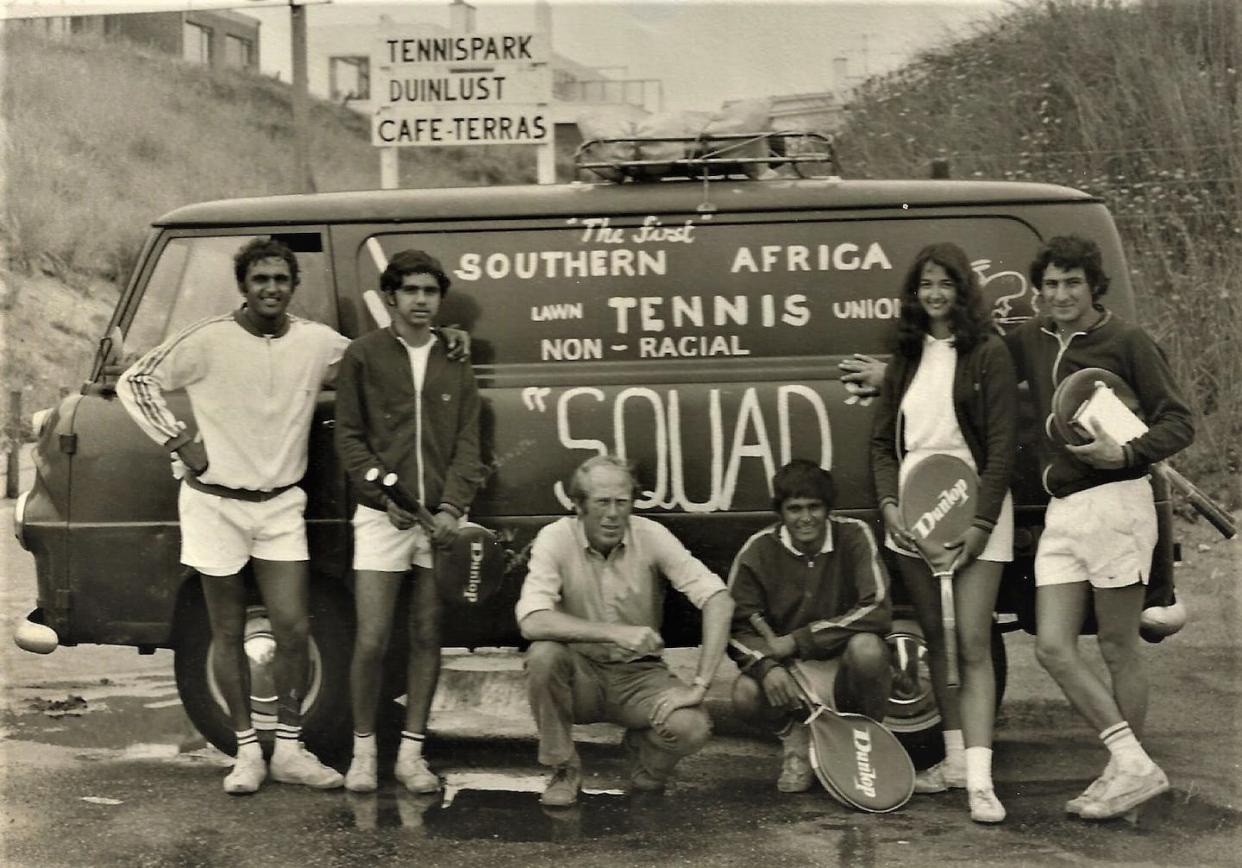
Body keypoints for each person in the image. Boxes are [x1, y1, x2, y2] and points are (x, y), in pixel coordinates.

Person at [117, 237, 350, 794]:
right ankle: (246, 752)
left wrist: (444, 339)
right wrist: (177, 441)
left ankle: (290, 748)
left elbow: (377, 357)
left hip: (280, 506)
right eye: (260, 279)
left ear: (294, 286)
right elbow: (136, 379)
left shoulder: (316, 342)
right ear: (243, 285)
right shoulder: (207, 338)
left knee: (292, 628)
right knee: (226, 630)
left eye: (281, 279)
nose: (271, 288)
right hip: (213, 504)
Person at [1008, 236, 1193, 819]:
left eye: (1073, 283)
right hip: (1062, 509)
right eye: (1052, 284)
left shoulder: (1127, 340)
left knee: (1117, 647)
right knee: (1053, 647)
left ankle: (1125, 772)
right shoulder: (1028, 338)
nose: (1061, 295)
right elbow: (965, 358)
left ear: (1093, 287)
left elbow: (1179, 421)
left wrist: (1129, 454)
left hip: (1119, 501)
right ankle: (1134, 764)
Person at [870, 242, 1018, 824]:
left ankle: (980, 782)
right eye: (925, 284)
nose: (935, 294)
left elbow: (1004, 448)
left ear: (962, 290)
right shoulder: (904, 354)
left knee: (974, 644)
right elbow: (883, 443)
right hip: (914, 513)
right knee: (936, 636)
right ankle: (954, 762)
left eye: (945, 284)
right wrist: (889, 508)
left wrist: (981, 524)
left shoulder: (989, 353)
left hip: (975, 510)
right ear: (915, 293)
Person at [333, 249, 484, 794]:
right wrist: (381, 493)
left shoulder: (454, 356)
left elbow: (469, 442)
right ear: (391, 297)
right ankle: (364, 753)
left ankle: (412, 758)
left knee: (426, 634)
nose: (421, 300)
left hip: (439, 524)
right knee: (371, 639)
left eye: (430, 291)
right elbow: (348, 436)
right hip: (381, 519)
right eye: (411, 291)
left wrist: (450, 509)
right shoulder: (363, 355)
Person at [516, 455, 735, 807]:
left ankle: (645, 763)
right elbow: (532, 620)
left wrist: (700, 685)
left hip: (639, 675)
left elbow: (718, 599)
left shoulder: (650, 535)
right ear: (579, 506)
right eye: (602, 502)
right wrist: (615, 632)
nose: (614, 514)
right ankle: (564, 768)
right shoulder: (555, 537)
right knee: (543, 656)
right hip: (580, 674)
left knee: (691, 727)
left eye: (623, 502)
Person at [727, 459, 893, 794]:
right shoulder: (756, 550)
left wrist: (798, 641)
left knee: (868, 649)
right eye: (795, 508)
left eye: (815, 507)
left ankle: (865, 739)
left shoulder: (854, 534)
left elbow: (877, 608)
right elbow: (735, 627)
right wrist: (768, 665)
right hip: (791, 677)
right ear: (780, 512)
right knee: (744, 693)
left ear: (829, 508)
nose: (805, 518)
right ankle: (796, 742)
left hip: (843, 665)